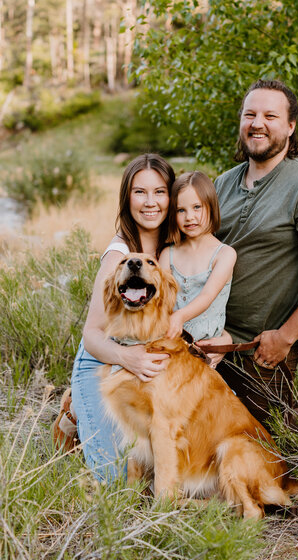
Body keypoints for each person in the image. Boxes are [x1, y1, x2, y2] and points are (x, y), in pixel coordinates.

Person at [212, 79, 298, 423]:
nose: (257, 123)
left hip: (259, 353)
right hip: (209, 344)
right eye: (250, 114)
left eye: (270, 116)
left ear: (290, 126)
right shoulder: (222, 183)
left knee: (259, 455)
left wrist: (284, 338)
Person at [53, 153, 175, 481]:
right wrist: (127, 358)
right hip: (103, 361)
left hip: (148, 360)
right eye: (140, 192)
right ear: (127, 198)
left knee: (163, 466)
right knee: (118, 481)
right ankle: (77, 409)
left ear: (171, 196)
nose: (150, 202)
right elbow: (91, 334)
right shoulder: (119, 255)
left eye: (160, 192)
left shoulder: (175, 247)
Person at [158, 171, 236, 355]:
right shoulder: (168, 254)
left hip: (205, 351)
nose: (189, 217)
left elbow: (207, 296)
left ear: (211, 206)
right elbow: (161, 300)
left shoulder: (224, 254)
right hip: (171, 344)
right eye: (181, 210)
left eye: (197, 207)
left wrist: (179, 316)